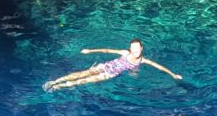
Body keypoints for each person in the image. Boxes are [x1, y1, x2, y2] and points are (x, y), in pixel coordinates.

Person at [43, 39, 182, 91]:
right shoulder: (125, 53)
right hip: (104, 66)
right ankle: (55, 81)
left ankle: (58, 87)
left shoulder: (143, 61)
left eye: (137, 48)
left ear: (141, 49)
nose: (135, 50)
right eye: (133, 48)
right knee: (81, 74)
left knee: (83, 81)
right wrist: (89, 51)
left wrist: (173, 74)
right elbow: (107, 50)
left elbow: (159, 67)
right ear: (131, 48)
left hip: (110, 74)